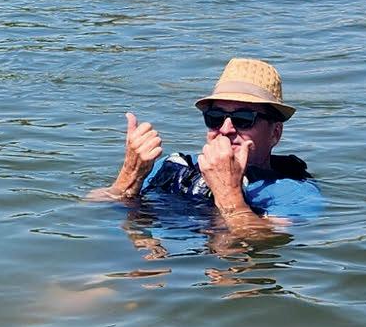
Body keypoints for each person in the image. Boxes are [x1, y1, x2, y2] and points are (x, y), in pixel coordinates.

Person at [89, 56, 320, 235]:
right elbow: (89, 210)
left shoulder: (294, 193)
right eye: (215, 117)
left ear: (275, 133)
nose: (226, 129)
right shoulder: (173, 166)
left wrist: (229, 195)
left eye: (243, 119)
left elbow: (262, 241)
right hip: (141, 257)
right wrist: (129, 175)